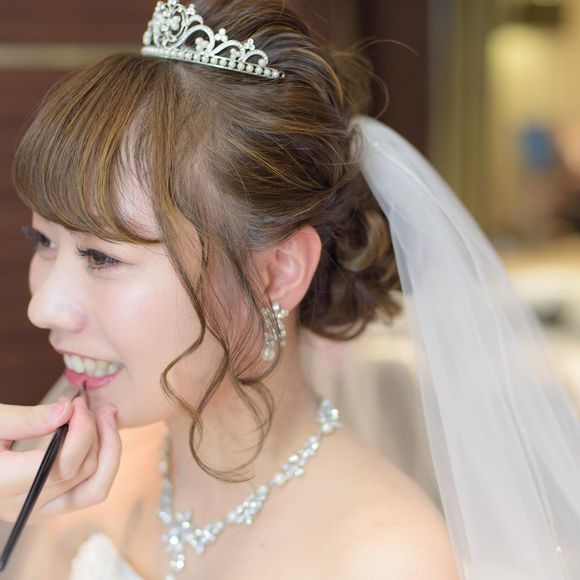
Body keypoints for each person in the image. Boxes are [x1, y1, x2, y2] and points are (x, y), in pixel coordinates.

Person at [1, 0, 579, 578]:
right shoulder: (72, 480)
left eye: (102, 256)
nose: (43, 306)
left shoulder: (385, 558)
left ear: (277, 272)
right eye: (43, 241)